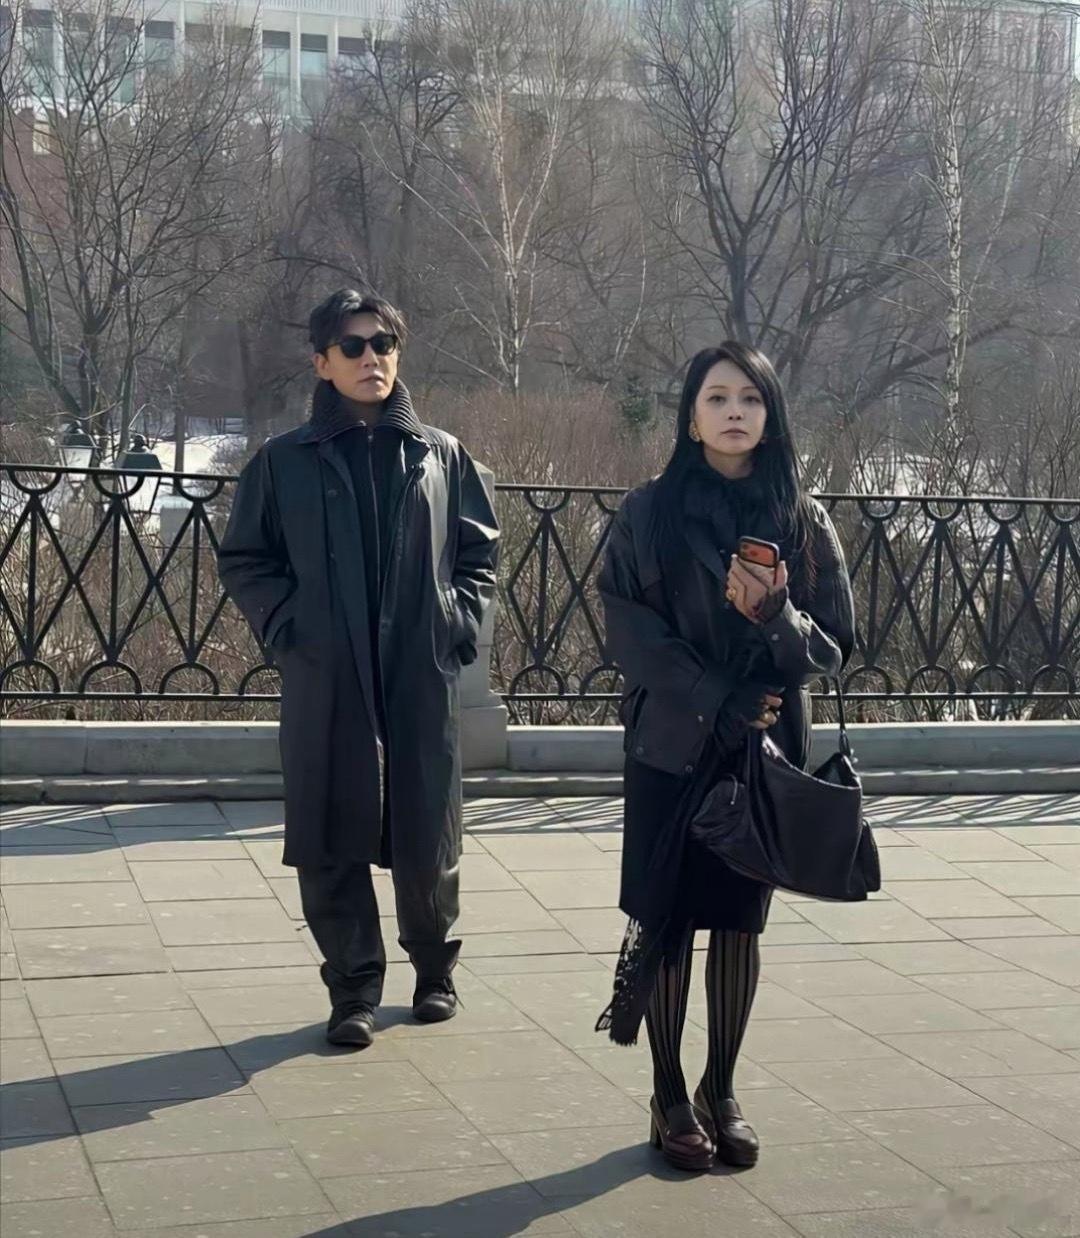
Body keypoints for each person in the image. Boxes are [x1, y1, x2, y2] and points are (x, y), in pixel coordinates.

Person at [596, 342, 855, 1169]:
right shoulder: (649, 512)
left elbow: (836, 646)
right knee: (669, 920)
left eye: (750, 397)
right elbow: (627, 629)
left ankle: (722, 1089)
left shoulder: (802, 519)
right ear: (690, 416)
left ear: (770, 416)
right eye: (717, 397)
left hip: (763, 752)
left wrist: (778, 616)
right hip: (672, 745)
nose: (734, 411)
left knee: (740, 923)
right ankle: (669, 1094)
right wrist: (715, 692)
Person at [218, 289, 499, 1048]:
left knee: (427, 829)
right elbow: (245, 559)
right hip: (328, 674)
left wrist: (454, 622)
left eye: (383, 344)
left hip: (417, 668)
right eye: (353, 346)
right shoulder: (284, 461)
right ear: (322, 362)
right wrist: (290, 628)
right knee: (330, 831)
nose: (371, 357)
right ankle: (352, 989)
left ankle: (434, 972)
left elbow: (479, 553)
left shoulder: (440, 454)